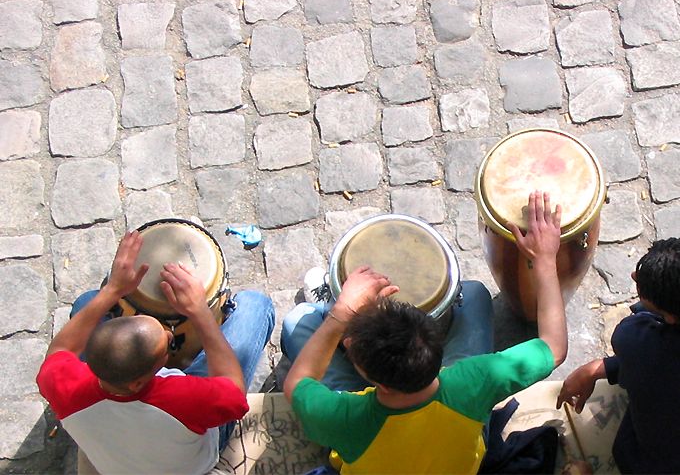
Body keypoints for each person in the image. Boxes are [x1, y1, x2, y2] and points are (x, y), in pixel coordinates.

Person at [282, 191, 567, 474]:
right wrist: (544, 259)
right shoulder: (474, 382)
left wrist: (340, 314)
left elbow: (297, 384)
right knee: (473, 293)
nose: (346, 340)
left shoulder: (345, 419)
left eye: (351, 347)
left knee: (298, 321)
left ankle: (326, 305)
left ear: (375, 381)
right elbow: (554, 347)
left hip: (368, 432)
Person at [36, 231, 274, 475]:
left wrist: (113, 290)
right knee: (256, 306)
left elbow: (60, 350)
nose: (169, 334)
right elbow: (233, 393)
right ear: (138, 382)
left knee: (87, 302)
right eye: (166, 343)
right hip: (190, 460)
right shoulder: (183, 399)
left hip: (116, 455)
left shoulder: (65, 388)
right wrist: (200, 314)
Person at [557, 237, 680, 474]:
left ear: (671, 318)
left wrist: (602, 368)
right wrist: (602, 368)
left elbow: (642, 350)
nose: (634, 277)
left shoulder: (635, 339)